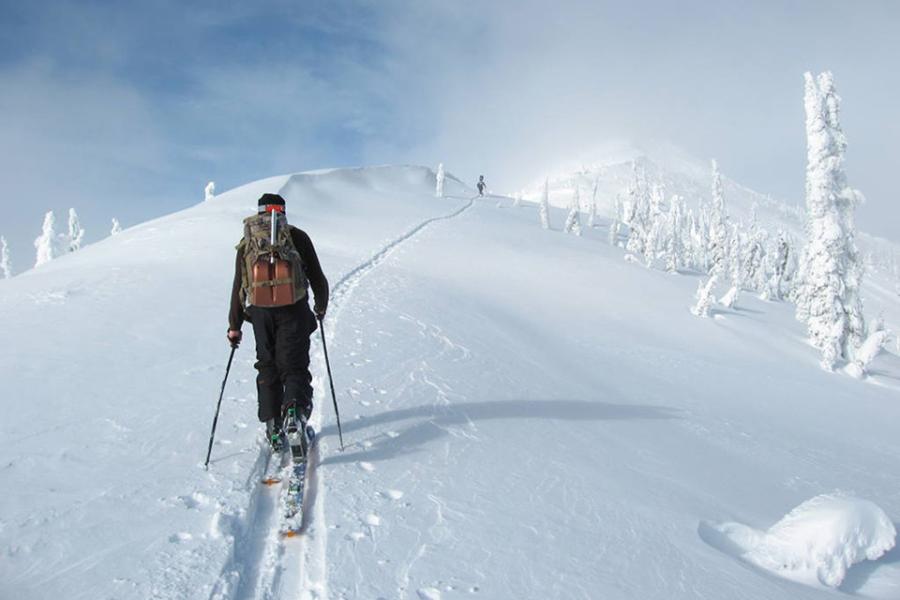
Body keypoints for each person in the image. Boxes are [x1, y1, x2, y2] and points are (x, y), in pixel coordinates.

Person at [226, 193, 329, 456]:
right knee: (293, 365)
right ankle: (294, 413)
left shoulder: (247, 242)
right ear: (282, 211)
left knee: (267, 365)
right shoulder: (297, 237)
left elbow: (239, 287)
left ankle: (273, 427)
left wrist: (234, 326)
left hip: (260, 314)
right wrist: (320, 307)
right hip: (294, 310)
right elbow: (317, 276)